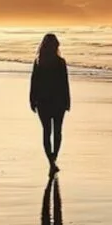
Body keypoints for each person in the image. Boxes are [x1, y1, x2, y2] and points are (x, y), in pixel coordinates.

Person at [30, 33, 71, 172]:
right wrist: (67, 101)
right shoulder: (60, 62)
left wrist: (32, 99)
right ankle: (53, 159)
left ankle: (51, 161)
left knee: (47, 132)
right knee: (57, 131)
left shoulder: (39, 61)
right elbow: (64, 83)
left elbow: (34, 83)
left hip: (43, 102)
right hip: (58, 101)